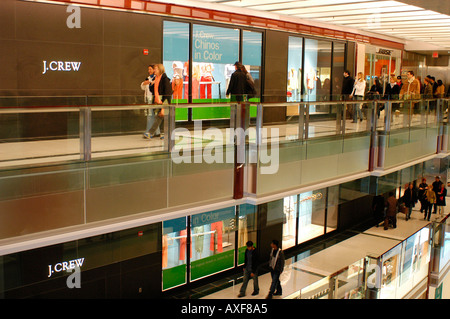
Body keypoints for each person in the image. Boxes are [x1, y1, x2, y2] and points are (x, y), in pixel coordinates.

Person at [146, 63, 172, 139]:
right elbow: (152, 90)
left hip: (164, 102)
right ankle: (163, 133)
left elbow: (167, 93)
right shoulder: (156, 79)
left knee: (160, 117)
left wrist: (164, 106)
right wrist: (151, 84)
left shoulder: (165, 79)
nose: (154, 70)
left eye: (155, 69)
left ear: (160, 69)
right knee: (160, 117)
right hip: (157, 101)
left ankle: (151, 133)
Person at [141, 65, 161, 139]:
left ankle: (149, 132)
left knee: (151, 116)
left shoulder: (157, 78)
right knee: (151, 116)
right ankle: (156, 132)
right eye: (148, 69)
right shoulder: (148, 78)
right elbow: (143, 86)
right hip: (149, 99)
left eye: (150, 69)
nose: (149, 71)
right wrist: (145, 83)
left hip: (154, 99)